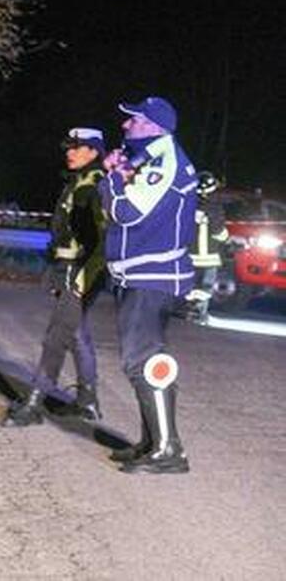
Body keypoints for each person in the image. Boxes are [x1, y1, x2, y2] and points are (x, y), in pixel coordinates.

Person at [98, 96, 196, 474]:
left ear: (154, 127)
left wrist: (111, 180)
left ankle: (168, 450)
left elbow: (126, 211)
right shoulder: (147, 156)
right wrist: (119, 169)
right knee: (148, 359)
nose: (125, 126)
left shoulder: (164, 162)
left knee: (143, 360)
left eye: (133, 121)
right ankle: (153, 441)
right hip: (140, 273)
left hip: (151, 276)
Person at [3, 127, 108, 426]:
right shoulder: (79, 181)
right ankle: (88, 402)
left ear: (94, 152)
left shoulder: (94, 185)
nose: (69, 152)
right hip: (69, 268)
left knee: (56, 337)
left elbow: (103, 240)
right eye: (69, 147)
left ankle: (34, 403)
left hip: (80, 271)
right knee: (76, 335)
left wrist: (82, 279)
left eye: (77, 147)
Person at [184, 171, 228, 322]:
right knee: (206, 286)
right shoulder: (214, 207)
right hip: (209, 256)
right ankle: (200, 312)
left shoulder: (187, 204)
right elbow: (218, 232)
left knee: (190, 285)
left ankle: (187, 310)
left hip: (189, 254)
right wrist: (227, 238)